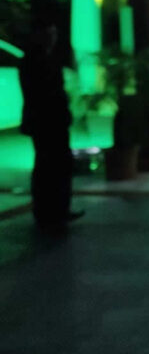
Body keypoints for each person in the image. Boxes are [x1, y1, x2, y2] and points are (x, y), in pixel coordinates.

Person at [19, 12, 82, 229]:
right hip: (47, 122)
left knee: (53, 166)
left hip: (51, 121)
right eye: (49, 33)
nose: (52, 38)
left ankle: (55, 210)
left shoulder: (43, 58)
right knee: (49, 166)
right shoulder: (36, 60)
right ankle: (50, 211)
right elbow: (45, 93)